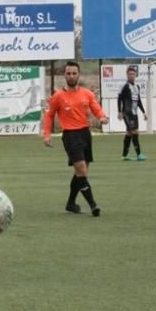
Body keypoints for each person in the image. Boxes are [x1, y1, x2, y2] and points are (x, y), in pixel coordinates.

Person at [43, 61, 109, 216]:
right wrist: (47, 134)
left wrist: (102, 117)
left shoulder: (87, 93)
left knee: (80, 173)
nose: (71, 76)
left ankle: (71, 203)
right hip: (70, 136)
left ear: (79, 75)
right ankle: (93, 205)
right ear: (64, 75)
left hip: (85, 134)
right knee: (81, 170)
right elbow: (49, 115)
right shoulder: (58, 96)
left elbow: (95, 108)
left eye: (74, 73)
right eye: (68, 73)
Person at [117, 65, 147, 161]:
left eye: (133, 74)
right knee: (134, 132)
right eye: (130, 74)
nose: (131, 76)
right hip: (127, 113)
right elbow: (119, 99)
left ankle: (124, 155)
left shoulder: (137, 87)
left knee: (129, 133)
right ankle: (139, 154)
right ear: (127, 75)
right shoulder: (125, 86)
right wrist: (119, 112)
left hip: (134, 113)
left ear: (135, 75)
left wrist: (144, 112)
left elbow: (138, 101)